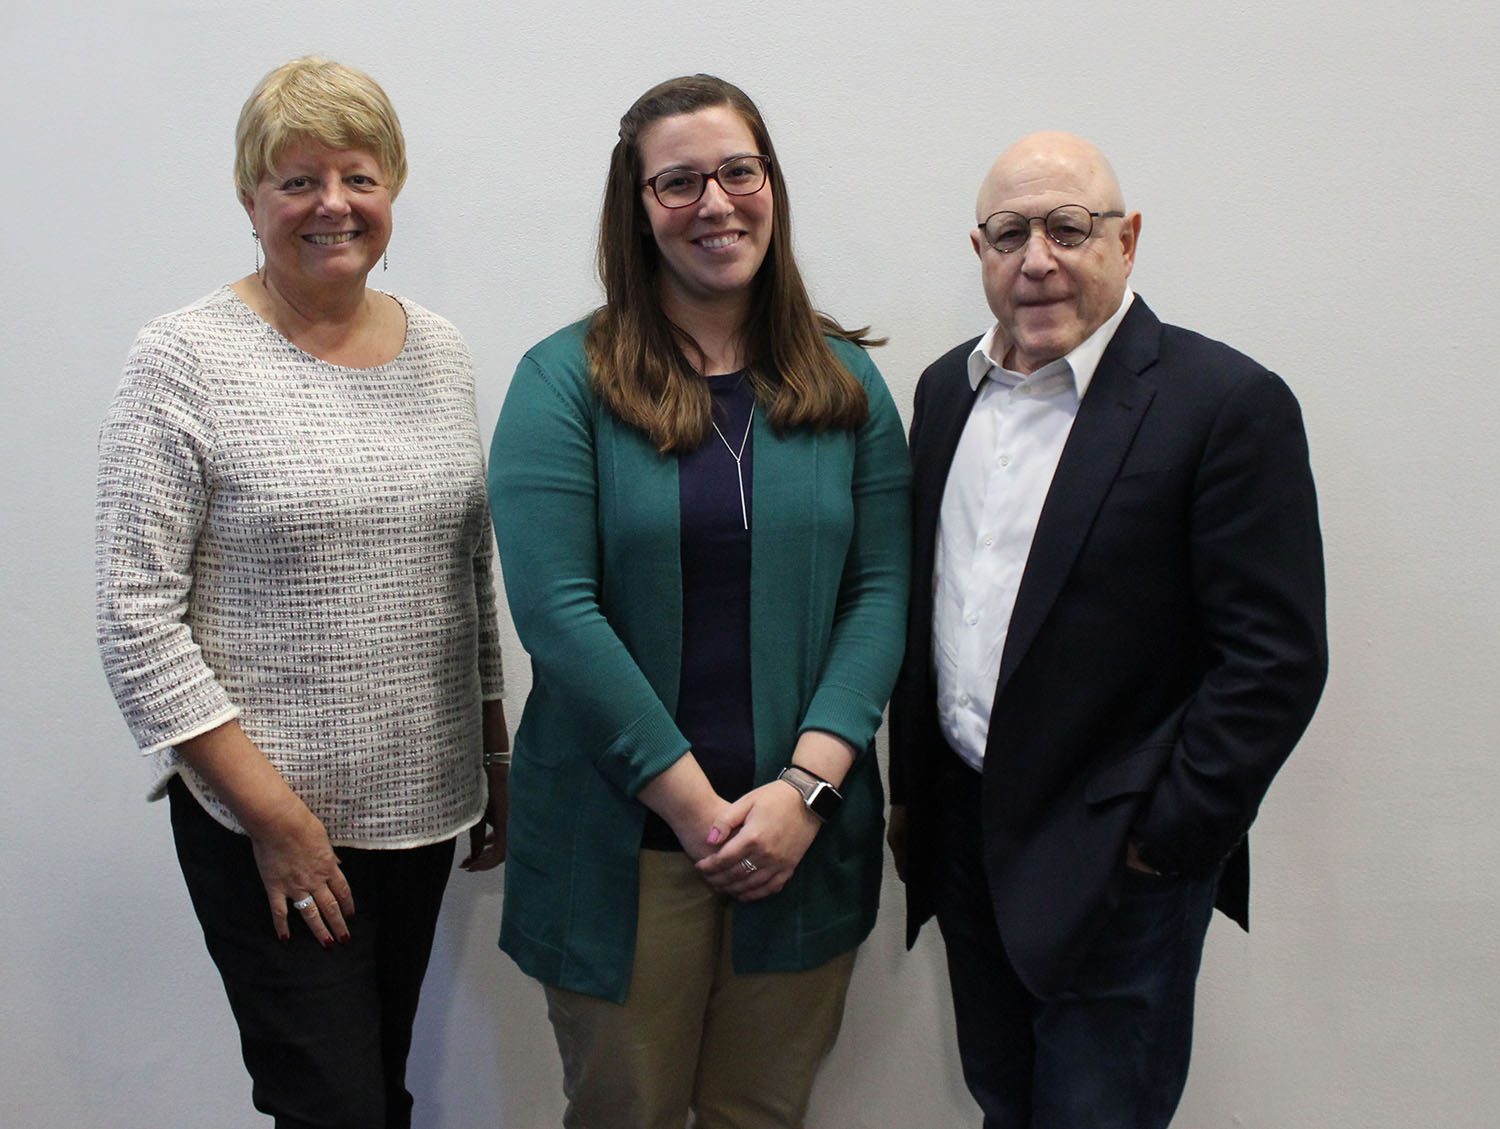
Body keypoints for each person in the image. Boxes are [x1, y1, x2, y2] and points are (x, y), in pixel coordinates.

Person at [488, 74, 910, 1129]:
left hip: (802, 842)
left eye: (738, 172)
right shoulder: (562, 384)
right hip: (618, 851)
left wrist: (805, 792)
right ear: (636, 209)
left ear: (771, 186)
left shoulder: (849, 386)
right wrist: (698, 810)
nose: (715, 203)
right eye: (678, 182)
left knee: (761, 1114)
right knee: (623, 1112)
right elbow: (558, 613)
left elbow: (884, 588)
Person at [95, 57, 509, 1129]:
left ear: (393, 188)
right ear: (251, 201)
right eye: (298, 180)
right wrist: (275, 820)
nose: (333, 204)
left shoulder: (443, 351)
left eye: (358, 177)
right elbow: (137, 621)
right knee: (327, 1104)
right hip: (265, 825)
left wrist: (493, 752)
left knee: (378, 1086)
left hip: (420, 807)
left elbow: (467, 567)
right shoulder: (182, 359)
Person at [887, 132, 1328, 1128]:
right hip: (966, 836)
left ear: (1127, 242)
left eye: (1068, 227)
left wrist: (1165, 839)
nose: (1037, 257)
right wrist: (914, 799)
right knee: (1002, 1097)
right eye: (1009, 233)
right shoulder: (941, 395)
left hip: (1115, 859)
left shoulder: (1223, 405)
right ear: (979, 252)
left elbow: (1276, 659)